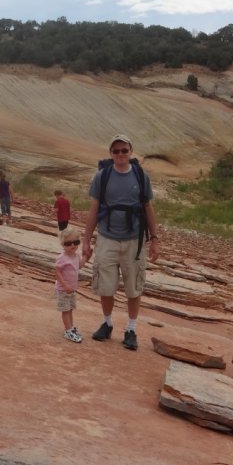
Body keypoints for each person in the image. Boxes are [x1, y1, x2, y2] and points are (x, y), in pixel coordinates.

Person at [81, 134, 160, 351]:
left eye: (124, 150)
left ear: (131, 151)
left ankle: (131, 329)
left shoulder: (141, 176)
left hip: (134, 241)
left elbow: (148, 208)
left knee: (134, 288)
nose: (120, 154)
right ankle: (107, 324)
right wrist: (86, 240)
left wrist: (154, 239)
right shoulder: (102, 176)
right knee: (106, 287)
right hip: (107, 238)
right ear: (111, 154)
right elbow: (94, 209)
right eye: (116, 151)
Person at [54, 226, 84, 342]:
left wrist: (87, 256)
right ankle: (68, 331)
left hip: (71, 289)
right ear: (63, 244)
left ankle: (71, 328)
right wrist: (64, 284)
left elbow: (79, 265)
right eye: (68, 243)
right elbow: (57, 272)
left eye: (75, 242)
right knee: (65, 310)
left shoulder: (76, 256)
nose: (72, 245)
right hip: (63, 289)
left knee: (70, 309)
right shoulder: (62, 258)